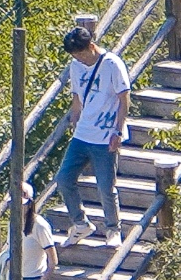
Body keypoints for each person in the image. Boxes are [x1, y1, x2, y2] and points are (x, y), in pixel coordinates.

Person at [47, 14, 130, 228]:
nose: (80, 59)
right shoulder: (76, 66)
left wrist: (118, 132)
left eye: (81, 53)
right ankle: (80, 223)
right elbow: (77, 97)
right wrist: (74, 118)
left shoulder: (112, 64)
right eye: (75, 56)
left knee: (105, 187)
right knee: (64, 180)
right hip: (83, 134)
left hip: (106, 134)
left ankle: (113, 228)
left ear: (91, 45)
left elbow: (124, 98)